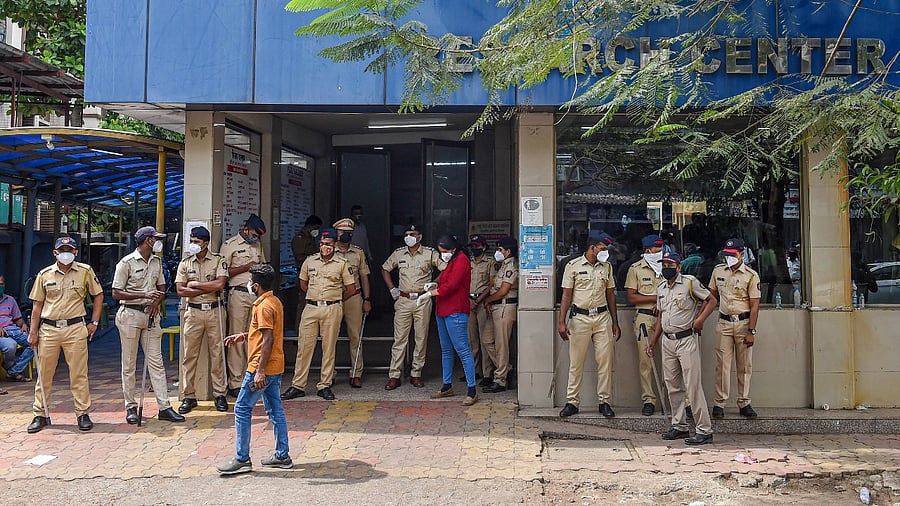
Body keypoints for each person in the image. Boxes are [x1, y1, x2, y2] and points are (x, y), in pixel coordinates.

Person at [217, 264, 291, 475]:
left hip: (261, 368)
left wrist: (259, 371)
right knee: (275, 410)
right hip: (275, 366)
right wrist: (243, 336)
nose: (248, 284)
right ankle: (282, 455)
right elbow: (263, 333)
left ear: (256, 286)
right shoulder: (273, 301)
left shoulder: (263, 307)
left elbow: (267, 339)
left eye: (250, 281)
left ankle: (242, 459)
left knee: (241, 408)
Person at [27, 236, 104, 433]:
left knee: (79, 373)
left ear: (76, 252)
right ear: (55, 253)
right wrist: (33, 332)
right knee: (44, 373)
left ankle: (82, 413)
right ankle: (40, 413)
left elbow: (98, 295)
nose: (66, 253)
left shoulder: (85, 272)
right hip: (49, 329)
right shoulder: (44, 275)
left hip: (75, 327)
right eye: (62, 250)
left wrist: (94, 322)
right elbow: (37, 306)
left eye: (70, 250)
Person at [111, 226, 184, 424]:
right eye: (155, 238)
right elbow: (116, 292)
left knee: (156, 362)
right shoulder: (126, 263)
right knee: (129, 364)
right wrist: (143, 295)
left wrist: (156, 301)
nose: (158, 241)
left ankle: (164, 406)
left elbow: (162, 286)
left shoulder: (157, 261)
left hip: (150, 315)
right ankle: (131, 406)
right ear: (147, 240)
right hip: (130, 315)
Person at [647, 251, 717, 445]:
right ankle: (679, 426)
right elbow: (661, 316)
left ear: (678, 267)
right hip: (667, 341)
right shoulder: (661, 287)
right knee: (672, 385)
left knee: (692, 385)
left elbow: (711, 300)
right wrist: (654, 341)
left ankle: (704, 429)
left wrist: (700, 319)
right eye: (664, 265)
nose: (666, 268)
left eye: (670, 265)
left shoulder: (689, 282)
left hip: (686, 339)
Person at [282, 228, 355, 401]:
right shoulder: (310, 261)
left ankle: (325, 385)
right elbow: (303, 283)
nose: (325, 247)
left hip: (332, 308)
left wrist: (334, 298)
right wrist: (316, 297)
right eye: (322, 244)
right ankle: (298, 385)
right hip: (311, 308)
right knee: (304, 347)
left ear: (335, 245)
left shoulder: (342, 263)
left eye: (328, 244)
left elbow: (351, 289)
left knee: (328, 348)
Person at [557, 231, 621, 419]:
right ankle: (572, 402)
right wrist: (562, 321)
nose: (605, 252)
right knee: (576, 363)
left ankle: (604, 402)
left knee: (605, 362)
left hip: (602, 318)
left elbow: (611, 295)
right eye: (602, 248)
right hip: (580, 319)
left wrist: (615, 322)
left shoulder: (607, 267)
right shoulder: (573, 266)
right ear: (592, 247)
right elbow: (566, 295)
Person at [381, 223, 446, 390]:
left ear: (420, 237)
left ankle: (416, 373)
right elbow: (385, 269)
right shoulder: (399, 253)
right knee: (399, 339)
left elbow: (445, 269)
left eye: (413, 233)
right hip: (403, 299)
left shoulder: (429, 253)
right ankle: (395, 375)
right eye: (407, 233)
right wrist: (392, 289)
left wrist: (434, 283)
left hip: (422, 299)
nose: (409, 236)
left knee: (421, 338)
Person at [175, 226, 229, 414]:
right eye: (192, 241)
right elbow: (181, 290)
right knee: (189, 355)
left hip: (215, 311)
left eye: (197, 242)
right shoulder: (185, 263)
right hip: (193, 312)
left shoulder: (218, 261)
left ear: (206, 243)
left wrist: (196, 285)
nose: (193, 245)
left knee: (217, 353)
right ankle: (189, 396)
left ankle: (220, 394)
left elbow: (220, 284)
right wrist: (208, 287)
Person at [421, 234, 478, 405]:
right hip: (443, 310)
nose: (442, 254)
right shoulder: (452, 260)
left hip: (456, 310)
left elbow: (451, 285)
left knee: (463, 350)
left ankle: (472, 390)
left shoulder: (461, 260)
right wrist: (433, 284)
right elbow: (444, 277)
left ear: (452, 249)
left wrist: (429, 294)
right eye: (440, 252)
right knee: (446, 350)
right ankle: (447, 386)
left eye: (444, 251)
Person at [708, 238, 761, 419]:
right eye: (727, 255)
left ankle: (744, 402)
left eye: (733, 255)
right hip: (723, 323)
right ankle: (719, 403)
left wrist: (751, 331)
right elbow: (711, 297)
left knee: (744, 365)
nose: (729, 258)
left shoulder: (751, 276)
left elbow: (754, 305)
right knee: (722, 365)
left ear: (742, 254)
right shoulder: (718, 271)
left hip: (743, 323)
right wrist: (699, 317)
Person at [221, 214, 267, 398]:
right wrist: (246, 267)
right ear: (246, 229)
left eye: (257, 236)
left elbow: (263, 265)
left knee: (254, 338)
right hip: (238, 294)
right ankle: (235, 382)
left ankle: (251, 377)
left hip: (255, 295)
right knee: (236, 338)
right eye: (253, 234)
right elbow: (223, 272)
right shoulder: (229, 245)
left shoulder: (257, 245)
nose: (254, 238)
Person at [624, 234, 664, 416]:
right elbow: (631, 297)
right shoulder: (636, 269)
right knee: (645, 361)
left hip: (666, 319)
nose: (661, 252)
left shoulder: (668, 266)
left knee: (672, 362)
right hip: (645, 318)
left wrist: (663, 303)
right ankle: (649, 399)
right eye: (657, 249)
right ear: (648, 251)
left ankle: (679, 401)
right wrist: (656, 298)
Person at [331, 217, 372, 388]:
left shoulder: (358, 252)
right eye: (342, 232)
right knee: (330, 337)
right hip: (333, 297)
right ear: (336, 233)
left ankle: (356, 372)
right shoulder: (329, 250)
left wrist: (367, 299)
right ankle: (329, 374)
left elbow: (364, 276)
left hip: (354, 297)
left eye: (348, 233)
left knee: (355, 336)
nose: (345, 235)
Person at [478, 236, 519, 394]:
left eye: (500, 250)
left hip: (504, 307)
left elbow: (503, 291)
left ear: (508, 251)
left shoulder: (511, 266)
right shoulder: (503, 265)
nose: (497, 252)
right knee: (487, 341)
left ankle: (500, 380)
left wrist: (487, 300)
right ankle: (507, 369)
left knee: (502, 345)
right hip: (495, 307)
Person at [466, 235, 496, 386]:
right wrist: (470, 300)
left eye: (477, 246)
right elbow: (463, 282)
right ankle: (473, 372)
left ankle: (487, 374)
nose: (474, 249)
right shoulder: (467, 262)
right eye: (472, 246)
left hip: (483, 302)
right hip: (468, 302)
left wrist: (478, 300)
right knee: (472, 340)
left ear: (484, 247)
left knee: (485, 340)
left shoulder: (490, 263)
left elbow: (492, 285)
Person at [0, 275, 34, 383]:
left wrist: (23, 325)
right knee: (10, 346)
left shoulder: (10, 300)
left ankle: (13, 371)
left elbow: (18, 319)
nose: (1, 286)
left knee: (35, 342)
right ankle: (13, 371)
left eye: (2, 284)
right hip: (2, 334)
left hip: (14, 330)